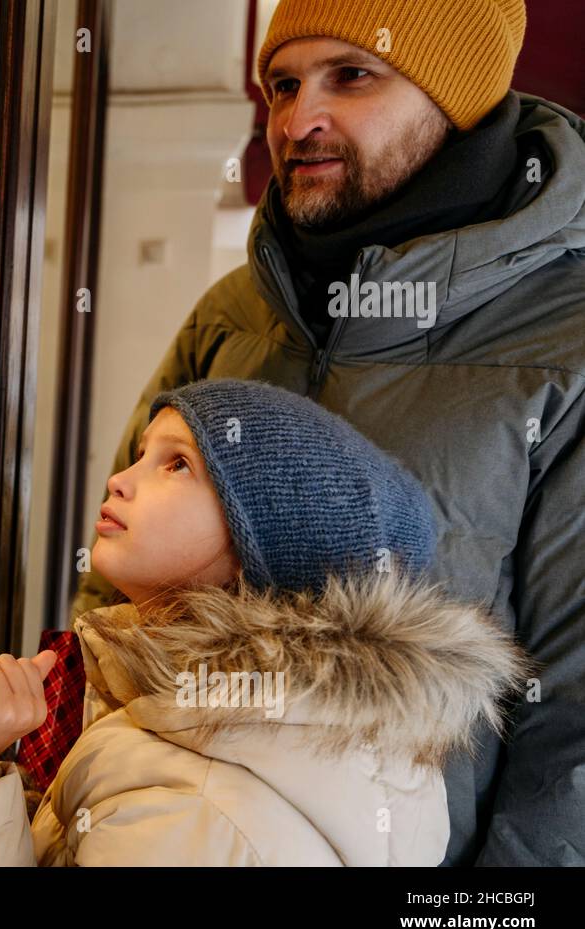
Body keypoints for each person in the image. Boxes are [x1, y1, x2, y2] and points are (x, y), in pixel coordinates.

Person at [72, 0, 585, 865]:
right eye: (281, 83)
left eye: (351, 76)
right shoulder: (235, 318)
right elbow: (112, 588)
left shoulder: (564, 347)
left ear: (458, 96)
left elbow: (573, 728)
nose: (296, 120)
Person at [0, 379, 528, 866]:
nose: (119, 480)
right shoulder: (198, 728)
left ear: (264, 546)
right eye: (140, 454)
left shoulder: (197, 808)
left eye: (177, 465)